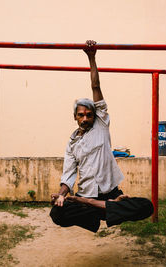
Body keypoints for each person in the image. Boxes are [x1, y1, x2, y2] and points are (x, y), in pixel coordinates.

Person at [50, 40, 153, 233]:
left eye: (89, 114)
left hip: (109, 194)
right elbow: (68, 175)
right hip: (86, 194)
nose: (86, 118)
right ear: (75, 117)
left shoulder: (101, 125)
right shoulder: (72, 143)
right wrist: (62, 195)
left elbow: (95, 86)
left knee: (146, 206)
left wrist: (91, 57)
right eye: (81, 115)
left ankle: (108, 205)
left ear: (95, 116)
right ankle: (98, 214)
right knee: (57, 213)